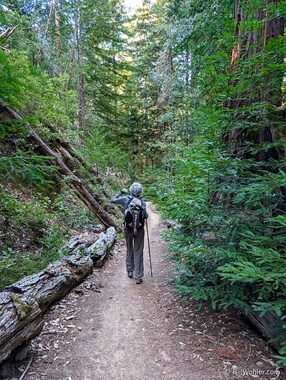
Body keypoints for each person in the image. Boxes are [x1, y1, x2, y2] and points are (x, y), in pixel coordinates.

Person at [111, 182, 148, 284]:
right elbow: (145, 216)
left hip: (128, 229)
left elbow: (112, 201)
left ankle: (130, 271)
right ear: (140, 191)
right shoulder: (142, 202)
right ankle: (138, 276)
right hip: (139, 229)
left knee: (129, 249)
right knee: (138, 251)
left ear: (131, 190)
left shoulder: (125, 199)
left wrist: (120, 192)